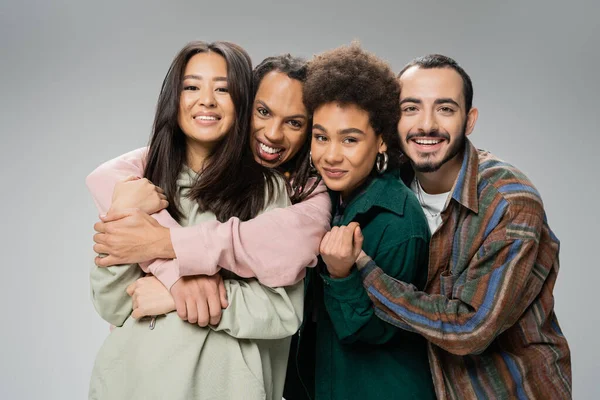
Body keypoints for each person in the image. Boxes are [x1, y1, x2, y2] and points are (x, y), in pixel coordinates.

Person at [330, 54, 572, 399]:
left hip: (508, 390)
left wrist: (362, 269)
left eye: (445, 109)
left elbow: (470, 328)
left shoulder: (508, 201)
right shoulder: (386, 183)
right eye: (410, 108)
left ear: (469, 120)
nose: (426, 124)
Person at [88, 41, 306, 400]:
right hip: (130, 385)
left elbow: (282, 310)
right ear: (174, 98)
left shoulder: (265, 190)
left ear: (244, 104)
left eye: (222, 88)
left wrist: (176, 295)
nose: (206, 100)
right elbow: (111, 304)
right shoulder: (139, 186)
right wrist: (122, 211)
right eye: (192, 86)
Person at [87, 53, 331, 326]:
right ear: (243, 105)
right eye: (263, 112)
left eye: (294, 122)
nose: (273, 133)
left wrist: (165, 248)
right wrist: (175, 276)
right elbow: (105, 176)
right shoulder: (164, 172)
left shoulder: (304, 193)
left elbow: (284, 261)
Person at [284, 43, 436, 400]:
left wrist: (342, 276)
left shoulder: (400, 220)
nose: (331, 155)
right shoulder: (326, 199)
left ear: (381, 140)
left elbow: (372, 332)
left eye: (350, 140)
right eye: (321, 137)